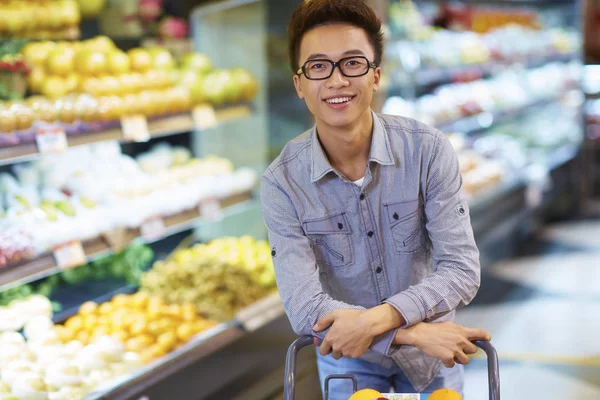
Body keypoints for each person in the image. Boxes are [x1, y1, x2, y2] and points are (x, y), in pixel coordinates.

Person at [260, 0, 490, 398]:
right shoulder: (282, 182)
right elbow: (304, 307)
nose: (336, 81)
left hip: (434, 361)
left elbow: (461, 268)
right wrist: (411, 333)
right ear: (299, 84)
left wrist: (377, 323)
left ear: (376, 75)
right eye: (318, 67)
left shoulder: (428, 150)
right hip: (351, 360)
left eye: (352, 63)